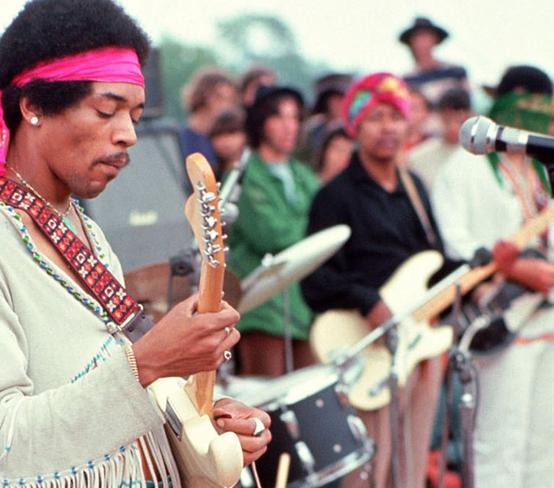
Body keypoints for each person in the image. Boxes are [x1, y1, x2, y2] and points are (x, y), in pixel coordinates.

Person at [0, 1, 271, 486]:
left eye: (135, 114)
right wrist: (146, 363)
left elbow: (103, 420)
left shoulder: (85, 230)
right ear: (34, 105)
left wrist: (200, 428)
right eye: (107, 110)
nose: (128, 134)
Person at [301, 72, 451, 488]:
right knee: (368, 469)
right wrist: (367, 300)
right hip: (366, 349)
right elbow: (315, 280)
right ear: (355, 126)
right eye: (375, 118)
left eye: (395, 117)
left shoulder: (414, 188)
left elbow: (434, 261)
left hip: (417, 343)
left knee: (412, 464)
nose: (388, 128)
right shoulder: (334, 197)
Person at [432, 65, 554, 488]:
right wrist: (515, 267)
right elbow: (454, 243)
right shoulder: (463, 168)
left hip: (546, 316)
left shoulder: (541, 167)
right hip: (498, 318)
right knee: (499, 441)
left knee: (543, 446)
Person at [226, 85, 319, 377]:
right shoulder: (244, 174)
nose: (290, 126)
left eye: (295, 118)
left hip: (304, 308)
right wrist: (313, 227)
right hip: (262, 311)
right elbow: (271, 235)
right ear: (261, 122)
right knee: (266, 404)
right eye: (280, 117)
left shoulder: (303, 174)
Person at [409, 87, 473, 193]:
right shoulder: (417, 157)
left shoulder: (479, 156)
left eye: (459, 121)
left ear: (470, 116)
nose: (453, 127)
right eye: (448, 120)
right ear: (440, 115)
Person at [179, 67, 238, 176]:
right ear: (203, 96)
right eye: (220, 98)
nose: (227, 105)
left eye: (230, 99)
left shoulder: (223, 141)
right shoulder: (180, 139)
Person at [400, 17, 468, 111]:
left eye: (425, 37)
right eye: (417, 38)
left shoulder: (455, 72)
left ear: (435, 40)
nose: (421, 43)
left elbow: (466, 106)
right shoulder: (406, 79)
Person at [208, 108, 247, 179]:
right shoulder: (210, 174)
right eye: (218, 135)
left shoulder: (255, 169)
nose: (225, 141)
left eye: (231, 133)